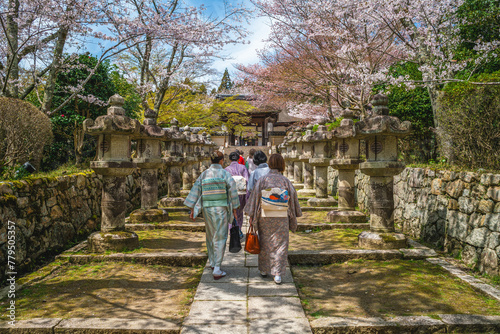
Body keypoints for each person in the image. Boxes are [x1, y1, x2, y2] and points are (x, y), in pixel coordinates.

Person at [244, 153, 302, 284]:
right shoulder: (285, 181)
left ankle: (264, 270)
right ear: (282, 165)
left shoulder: (263, 180)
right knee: (281, 244)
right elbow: (292, 197)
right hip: (281, 217)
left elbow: (255, 198)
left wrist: (252, 215)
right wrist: (294, 213)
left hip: (265, 216)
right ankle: (278, 274)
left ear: (270, 164)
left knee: (265, 242)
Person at [184, 151, 240, 280]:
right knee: (220, 236)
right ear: (221, 161)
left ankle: (213, 263)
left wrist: (192, 207)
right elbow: (233, 191)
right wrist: (235, 209)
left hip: (207, 208)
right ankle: (217, 268)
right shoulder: (225, 174)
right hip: (221, 208)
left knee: (210, 235)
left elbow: (196, 190)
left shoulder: (204, 174)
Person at [225, 151, 250, 238]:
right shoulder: (243, 168)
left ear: (229, 159)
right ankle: (238, 230)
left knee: (231, 212)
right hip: (241, 193)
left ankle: (231, 231)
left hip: (230, 193)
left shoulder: (227, 169)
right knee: (239, 213)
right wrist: (247, 196)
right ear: (239, 159)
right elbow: (247, 181)